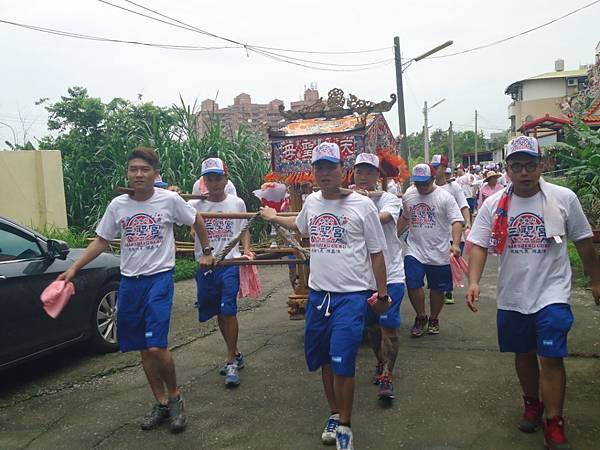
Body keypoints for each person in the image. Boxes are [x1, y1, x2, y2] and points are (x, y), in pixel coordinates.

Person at [58, 147, 214, 433]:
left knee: (157, 345)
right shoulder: (118, 205)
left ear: (155, 174)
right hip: (130, 282)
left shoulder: (169, 200)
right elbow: (101, 241)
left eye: (145, 169)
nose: (139, 174)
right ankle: (161, 401)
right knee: (142, 347)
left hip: (159, 278)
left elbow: (197, 220)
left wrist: (207, 251)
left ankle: (176, 396)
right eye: (134, 169)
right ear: (128, 173)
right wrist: (73, 269)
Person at [466, 136, 600, 450]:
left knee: (551, 358)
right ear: (507, 170)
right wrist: (473, 281)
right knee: (523, 354)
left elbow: (583, 241)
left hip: (552, 292)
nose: (524, 172)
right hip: (512, 294)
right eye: (517, 166)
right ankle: (532, 403)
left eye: (530, 165)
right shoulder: (493, 204)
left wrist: (595, 280)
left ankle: (554, 423)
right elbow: (479, 245)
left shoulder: (563, 198)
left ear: (541, 165)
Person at [261, 142, 389, 450]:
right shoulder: (313, 202)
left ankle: (345, 424)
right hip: (319, 296)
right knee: (323, 360)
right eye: (319, 167)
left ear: (342, 171)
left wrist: (382, 293)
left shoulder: (362, 205)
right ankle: (334, 413)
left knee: (342, 360)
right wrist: (274, 216)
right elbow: (300, 224)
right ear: (313, 172)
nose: (324, 173)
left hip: (351, 297)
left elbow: (377, 252)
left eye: (330, 167)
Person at [189, 157, 254, 387]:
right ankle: (234, 352)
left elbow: (245, 227)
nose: (214, 183)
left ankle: (230, 361)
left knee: (229, 310)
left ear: (226, 179)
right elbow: (190, 230)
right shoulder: (195, 206)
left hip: (229, 264)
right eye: (209, 179)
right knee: (218, 312)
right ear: (204, 181)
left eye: (218, 178)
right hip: (205, 266)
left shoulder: (237, 203)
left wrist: (246, 249)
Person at [353, 153, 405, 402]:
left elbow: (383, 218)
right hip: (362, 277)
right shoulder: (348, 199)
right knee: (372, 329)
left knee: (389, 328)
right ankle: (379, 362)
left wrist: (361, 204)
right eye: (359, 171)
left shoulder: (389, 199)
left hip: (391, 273)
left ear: (378, 176)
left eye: (369, 172)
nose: (363, 177)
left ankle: (387, 375)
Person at [397, 164, 463, 337]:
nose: (421, 187)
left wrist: (455, 244)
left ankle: (434, 318)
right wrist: (393, 235)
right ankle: (420, 316)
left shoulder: (445, 197)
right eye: (417, 183)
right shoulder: (409, 196)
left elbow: (457, 221)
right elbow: (405, 217)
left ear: (433, 179)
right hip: (415, 248)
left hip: (439, 251)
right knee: (412, 283)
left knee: (437, 288)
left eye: (424, 183)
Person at [431, 154, 471, 304]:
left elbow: (463, 205)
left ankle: (448, 290)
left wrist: (467, 222)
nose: (434, 170)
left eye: (437, 167)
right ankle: (441, 287)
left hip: (453, 233)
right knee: (438, 263)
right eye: (433, 167)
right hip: (435, 233)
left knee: (450, 262)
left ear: (443, 168)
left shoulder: (454, 187)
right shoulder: (429, 186)